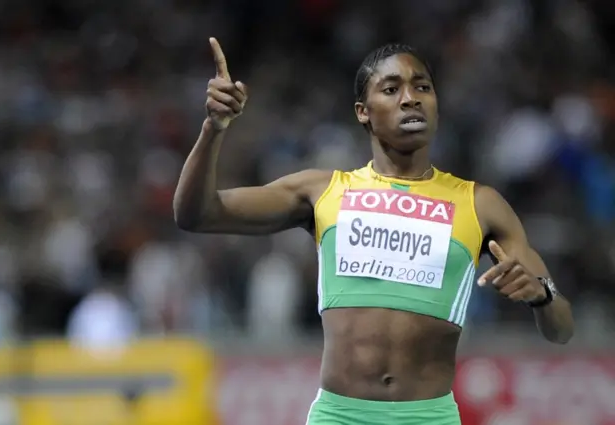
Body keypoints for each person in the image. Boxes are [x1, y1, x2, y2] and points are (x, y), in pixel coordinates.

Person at [173, 38, 575, 425]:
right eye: (391, 88)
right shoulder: (323, 191)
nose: (411, 97)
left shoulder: (480, 203)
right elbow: (196, 213)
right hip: (340, 417)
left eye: (423, 87)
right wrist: (214, 128)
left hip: (429, 418)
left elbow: (561, 329)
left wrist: (542, 295)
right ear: (363, 111)